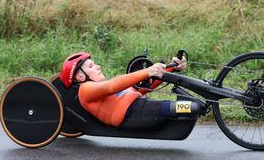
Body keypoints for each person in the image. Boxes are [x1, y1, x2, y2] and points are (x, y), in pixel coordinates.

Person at [59, 52, 200, 130]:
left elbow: (141, 87)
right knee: (192, 107)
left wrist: (171, 69)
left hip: (141, 109)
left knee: (193, 107)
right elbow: (112, 85)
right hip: (135, 114)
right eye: (91, 66)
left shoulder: (101, 90)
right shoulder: (85, 90)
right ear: (80, 76)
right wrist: (147, 71)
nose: (98, 66)